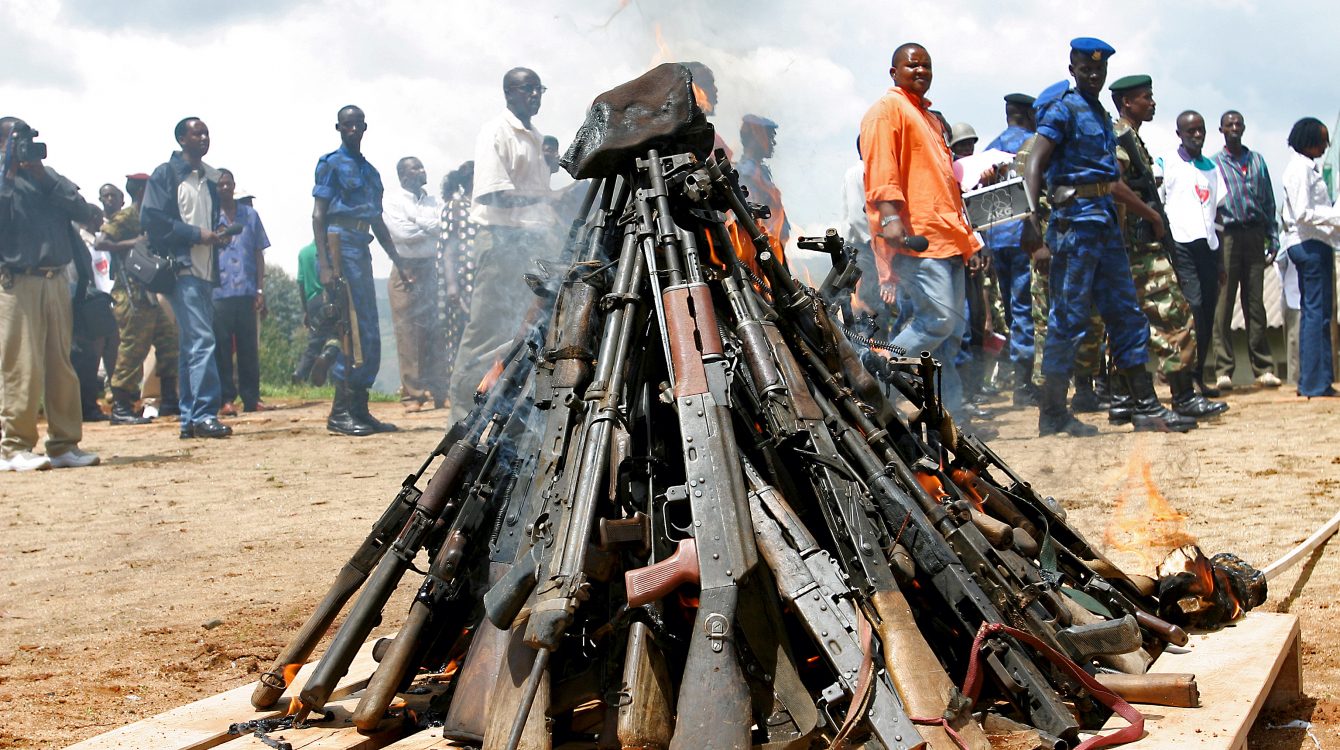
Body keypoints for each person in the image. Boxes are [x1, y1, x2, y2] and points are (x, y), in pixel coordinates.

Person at [1023, 39, 1191, 436]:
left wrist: (1146, 213)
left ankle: (1146, 408)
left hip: (1104, 224)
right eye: (1086, 68)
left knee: (1126, 314)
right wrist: (1031, 217)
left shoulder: (1099, 113)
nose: (1094, 74)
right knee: (1067, 318)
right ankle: (1053, 414)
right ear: (1073, 68)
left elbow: (1111, 181)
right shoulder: (1063, 109)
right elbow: (1035, 161)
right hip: (1075, 226)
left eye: (1099, 70)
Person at [859, 43, 982, 428]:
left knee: (952, 333)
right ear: (893, 71)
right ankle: (872, 377)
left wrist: (970, 240)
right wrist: (890, 215)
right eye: (912, 64)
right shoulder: (887, 110)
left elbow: (944, 185)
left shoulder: (927, 117)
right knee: (937, 322)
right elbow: (880, 165)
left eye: (927, 65)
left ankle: (946, 417)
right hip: (918, 237)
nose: (921, 70)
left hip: (948, 238)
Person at [447, 67, 558, 424]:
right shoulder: (496, 131)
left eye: (539, 89)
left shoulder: (535, 137)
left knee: (525, 331)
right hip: (501, 243)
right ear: (509, 93)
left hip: (530, 244)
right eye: (528, 89)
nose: (535, 95)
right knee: (485, 333)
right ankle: (462, 420)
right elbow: (493, 193)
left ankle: (505, 421)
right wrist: (543, 200)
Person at [1110, 77, 1224, 423]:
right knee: (1174, 315)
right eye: (1147, 98)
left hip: (1133, 244)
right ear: (1127, 102)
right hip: (1138, 245)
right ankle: (1184, 396)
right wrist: (1152, 215)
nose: (1152, 103)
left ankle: (1121, 401)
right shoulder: (1119, 135)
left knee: (1130, 321)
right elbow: (1114, 185)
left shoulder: (1130, 137)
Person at [0, 116, 102, 469]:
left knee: (62, 365)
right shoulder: (3, 181)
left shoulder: (47, 178)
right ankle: (14, 447)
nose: (25, 147)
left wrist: (42, 175)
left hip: (56, 280)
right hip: (16, 281)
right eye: (17, 141)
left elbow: (82, 209)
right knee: (21, 366)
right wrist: (7, 171)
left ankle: (63, 444)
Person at [312, 105, 404, 435]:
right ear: (338, 127)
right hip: (340, 247)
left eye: (357, 124)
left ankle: (359, 409)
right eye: (346, 125)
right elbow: (318, 216)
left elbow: (377, 220)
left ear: (365, 127)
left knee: (367, 330)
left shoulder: (371, 172)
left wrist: (397, 258)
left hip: (361, 247)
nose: (352, 129)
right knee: (349, 329)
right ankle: (340, 413)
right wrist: (325, 265)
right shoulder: (330, 164)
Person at [141, 118, 232, 439]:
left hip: (206, 272)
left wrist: (216, 236)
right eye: (197, 133)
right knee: (202, 340)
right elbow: (152, 219)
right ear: (182, 138)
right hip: (181, 270)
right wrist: (198, 234)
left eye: (207, 132)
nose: (204, 137)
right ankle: (205, 414)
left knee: (191, 345)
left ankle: (190, 419)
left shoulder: (208, 179)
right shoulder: (166, 174)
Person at [1155, 111, 1228, 400]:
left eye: (1201, 130)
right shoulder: (1166, 162)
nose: (1197, 136)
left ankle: (1198, 376)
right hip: (1180, 244)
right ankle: (1181, 374)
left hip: (1207, 248)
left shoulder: (1212, 167)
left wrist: (1220, 259)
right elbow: (1157, 205)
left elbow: (1219, 213)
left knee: (1209, 311)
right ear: (1179, 135)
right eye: (1191, 131)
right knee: (1193, 308)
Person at [97, 173, 179, 424]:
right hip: (129, 293)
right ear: (143, 191)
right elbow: (102, 241)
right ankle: (121, 407)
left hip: (148, 293)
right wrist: (135, 242)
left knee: (168, 342)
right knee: (133, 350)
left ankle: (169, 402)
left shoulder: (150, 216)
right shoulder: (127, 216)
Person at [1212, 111, 1281, 390]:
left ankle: (1263, 368)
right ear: (1221, 129)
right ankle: (1223, 370)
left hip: (1254, 234)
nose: (1234, 128)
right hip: (1227, 235)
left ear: (1244, 128)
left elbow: (1268, 201)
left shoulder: (1257, 161)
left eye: (1238, 124)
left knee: (1255, 304)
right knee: (1224, 304)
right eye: (1229, 125)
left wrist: (1273, 237)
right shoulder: (1215, 163)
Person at [983, 93, 1041, 406]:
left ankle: (1021, 383)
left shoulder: (989, 149)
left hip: (996, 240)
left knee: (1011, 311)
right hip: (1026, 238)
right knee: (1027, 311)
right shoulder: (1034, 144)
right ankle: (1024, 385)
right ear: (1030, 114)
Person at [1279, 117, 1340, 398]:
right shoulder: (1298, 170)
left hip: (1317, 243)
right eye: (1322, 140)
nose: (1326, 146)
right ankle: (1313, 382)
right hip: (1307, 243)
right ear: (1309, 141)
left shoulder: (1307, 168)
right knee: (1316, 313)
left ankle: (1321, 379)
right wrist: (1336, 216)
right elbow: (1303, 211)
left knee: (1321, 313)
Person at [384, 156, 447, 413]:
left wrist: (416, 221)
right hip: (405, 269)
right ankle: (413, 396)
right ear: (403, 175)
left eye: (422, 166)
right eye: (416, 168)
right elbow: (401, 235)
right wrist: (430, 228)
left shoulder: (434, 201)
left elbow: (445, 227)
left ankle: (441, 393)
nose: (422, 171)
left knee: (435, 331)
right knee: (408, 333)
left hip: (432, 267)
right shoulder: (392, 201)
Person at [212, 169, 272, 415]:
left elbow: (259, 252)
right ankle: (226, 399)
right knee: (222, 348)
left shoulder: (250, 215)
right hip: (218, 291)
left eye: (228, 184)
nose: (225, 188)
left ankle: (252, 398)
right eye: (220, 185)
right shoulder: (210, 216)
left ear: (234, 186)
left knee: (249, 348)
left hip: (247, 289)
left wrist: (260, 288)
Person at [70, 208, 116, 422]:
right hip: (77, 301)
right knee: (84, 355)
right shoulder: (73, 236)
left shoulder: (77, 235)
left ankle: (89, 406)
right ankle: (84, 408)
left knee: (90, 356)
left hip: (89, 301)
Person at [838, 138, 886, 326]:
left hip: (870, 246)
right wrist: (875, 245)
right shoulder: (857, 173)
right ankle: (869, 348)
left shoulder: (872, 174)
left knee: (877, 301)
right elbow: (857, 216)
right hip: (863, 248)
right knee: (869, 301)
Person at [439, 162, 477, 393]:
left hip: (482, 280)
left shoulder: (485, 205)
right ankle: (459, 388)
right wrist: (452, 285)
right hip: (463, 282)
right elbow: (448, 249)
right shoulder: (455, 206)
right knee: (463, 333)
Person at [736, 115, 791, 245]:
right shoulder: (745, 173)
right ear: (756, 137)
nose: (773, 142)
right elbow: (752, 218)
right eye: (770, 137)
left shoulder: (761, 172)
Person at [293, 240, 339, 385]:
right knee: (337, 337)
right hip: (330, 298)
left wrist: (306, 310)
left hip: (312, 301)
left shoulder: (304, 252)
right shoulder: (332, 249)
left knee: (314, 341)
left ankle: (300, 372)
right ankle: (334, 378)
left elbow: (301, 283)